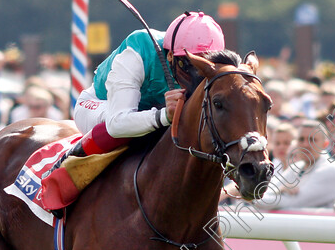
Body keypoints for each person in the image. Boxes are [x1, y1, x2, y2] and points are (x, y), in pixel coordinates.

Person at [69, 11, 226, 159]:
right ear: (170, 56)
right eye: (189, 64)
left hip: (146, 115)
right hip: (101, 108)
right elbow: (116, 123)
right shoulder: (138, 49)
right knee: (124, 132)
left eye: (205, 64)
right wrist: (165, 115)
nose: (197, 73)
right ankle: (62, 164)